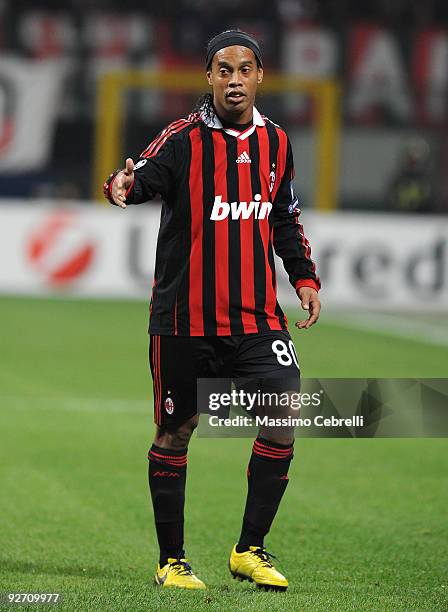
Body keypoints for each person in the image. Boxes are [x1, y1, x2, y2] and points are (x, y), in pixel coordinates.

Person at [104, 29, 321, 591]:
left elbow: (284, 218)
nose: (234, 80)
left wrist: (303, 276)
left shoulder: (277, 142)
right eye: (223, 70)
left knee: (284, 412)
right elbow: (140, 178)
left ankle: (249, 549)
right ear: (208, 78)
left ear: (259, 76)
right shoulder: (182, 138)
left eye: (243, 69)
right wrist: (122, 183)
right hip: (185, 318)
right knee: (177, 430)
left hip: (256, 316)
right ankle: (171, 560)